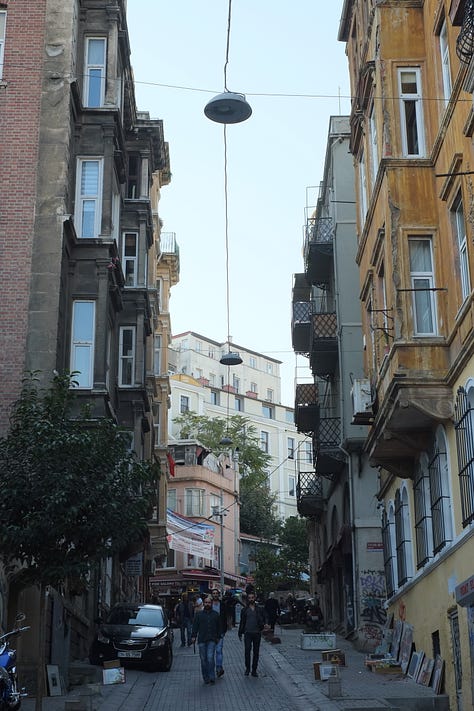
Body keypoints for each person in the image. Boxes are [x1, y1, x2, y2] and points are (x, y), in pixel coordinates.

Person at [191, 596, 221, 685]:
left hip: (212, 639)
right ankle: (206, 677)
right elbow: (195, 626)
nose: (207, 604)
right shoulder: (199, 615)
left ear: (211, 604)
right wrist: (193, 636)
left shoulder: (215, 614)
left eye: (209, 603)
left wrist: (218, 637)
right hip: (202, 640)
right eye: (206, 602)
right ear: (203, 603)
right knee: (203, 659)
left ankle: (212, 677)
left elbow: (219, 627)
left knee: (210, 658)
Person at [238, 590, 267, 677]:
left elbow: (265, 617)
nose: (251, 599)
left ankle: (254, 669)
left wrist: (265, 625)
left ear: (255, 598)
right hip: (247, 633)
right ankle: (247, 668)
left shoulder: (259, 609)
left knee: (256, 652)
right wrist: (240, 632)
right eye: (249, 598)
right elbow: (242, 622)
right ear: (247, 599)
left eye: (252, 598)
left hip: (257, 632)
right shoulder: (244, 610)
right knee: (247, 651)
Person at [210, 588, 228, 677]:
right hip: (210, 632)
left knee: (219, 650)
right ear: (212, 595)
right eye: (213, 593)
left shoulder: (223, 605)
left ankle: (219, 668)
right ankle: (212, 668)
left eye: (216, 593)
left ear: (219, 594)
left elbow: (225, 617)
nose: (215, 595)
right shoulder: (209, 605)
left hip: (220, 631)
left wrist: (224, 629)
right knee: (211, 651)